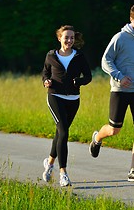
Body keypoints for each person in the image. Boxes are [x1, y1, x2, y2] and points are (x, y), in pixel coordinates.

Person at [89, 4, 134, 183]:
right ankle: (97, 138)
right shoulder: (120, 37)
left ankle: (133, 170)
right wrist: (119, 76)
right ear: (131, 19)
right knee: (114, 130)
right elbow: (106, 60)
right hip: (120, 90)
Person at [42, 25, 92, 187]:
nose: (69, 40)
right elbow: (45, 73)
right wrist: (46, 81)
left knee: (60, 133)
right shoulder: (51, 55)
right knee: (64, 131)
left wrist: (80, 81)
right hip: (55, 96)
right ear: (59, 38)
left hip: (73, 98)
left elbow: (88, 76)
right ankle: (63, 173)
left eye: (72, 38)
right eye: (66, 37)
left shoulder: (79, 56)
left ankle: (49, 163)